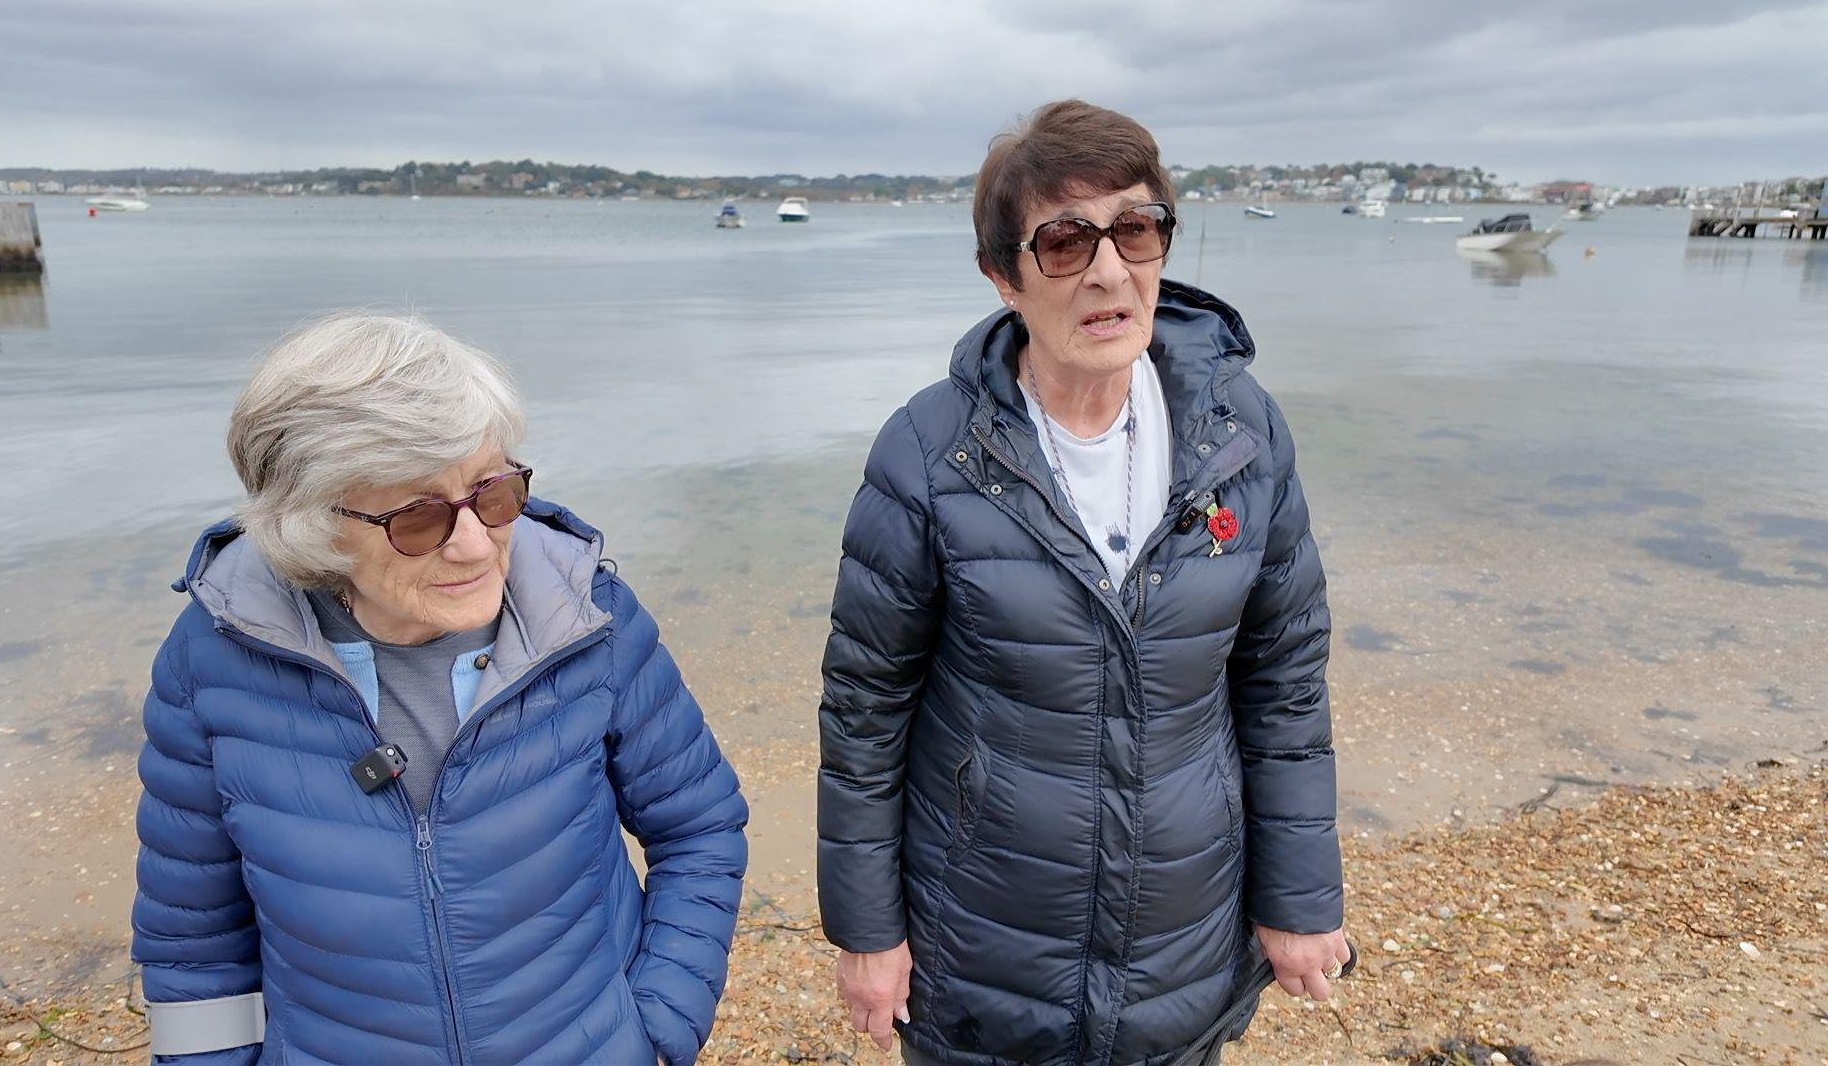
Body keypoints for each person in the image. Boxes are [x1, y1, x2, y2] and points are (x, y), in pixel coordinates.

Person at [818, 100, 1347, 1065]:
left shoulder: (1242, 432)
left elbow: (1285, 684)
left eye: (1135, 230)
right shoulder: (930, 454)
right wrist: (867, 931)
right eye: (1065, 241)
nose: (1109, 271)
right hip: (982, 944)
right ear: (1004, 276)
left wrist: (1300, 899)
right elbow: (864, 712)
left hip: (1182, 931)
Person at [131, 313, 747, 1064]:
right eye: (418, 517)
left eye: (492, 493)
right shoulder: (214, 659)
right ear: (312, 525)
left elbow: (699, 827)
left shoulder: (586, 622)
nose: (474, 543)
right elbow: (195, 947)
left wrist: (655, 1030)